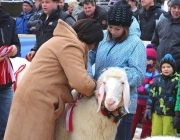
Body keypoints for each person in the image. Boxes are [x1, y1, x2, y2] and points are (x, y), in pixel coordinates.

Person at [3, 19, 103, 140]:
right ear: (91, 38)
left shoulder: (62, 41)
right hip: (39, 102)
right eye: (95, 44)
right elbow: (80, 82)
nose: (93, 48)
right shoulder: (70, 45)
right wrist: (96, 87)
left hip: (34, 98)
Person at [87, 1, 146, 140]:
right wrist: (88, 74)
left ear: (125, 28)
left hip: (122, 106)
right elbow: (89, 55)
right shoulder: (103, 37)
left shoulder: (135, 44)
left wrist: (114, 74)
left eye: (117, 29)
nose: (112, 31)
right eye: (110, 27)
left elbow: (138, 74)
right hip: (100, 101)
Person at [144, 54, 180, 136]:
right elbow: (151, 94)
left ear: (173, 68)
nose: (166, 69)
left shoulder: (177, 80)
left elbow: (179, 98)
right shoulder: (158, 79)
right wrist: (148, 108)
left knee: (168, 134)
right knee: (156, 133)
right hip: (156, 112)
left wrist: (178, 115)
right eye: (163, 67)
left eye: (168, 67)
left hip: (170, 114)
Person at [0, 6, 21, 140]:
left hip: (5, 84)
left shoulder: (9, 20)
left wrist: (14, 50)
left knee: (9, 124)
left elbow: (16, 43)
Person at [131, 44, 159, 139]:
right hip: (137, 101)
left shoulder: (155, 72)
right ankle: (128, 136)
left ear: (153, 60)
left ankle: (145, 138)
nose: (145, 61)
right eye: (144, 59)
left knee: (146, 122)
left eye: (148, 59)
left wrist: (141, 89)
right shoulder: (141, 69)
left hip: (148, 103)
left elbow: (152, 84)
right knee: (133, 120)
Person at [151, 0, 180, 73]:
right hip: (160, 65)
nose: (176, 10)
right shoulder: (162, 21)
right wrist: (156, 56)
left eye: (179, 8)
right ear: (170, 8)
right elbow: (155, 42)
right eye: (174, 7)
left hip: (177, 68)